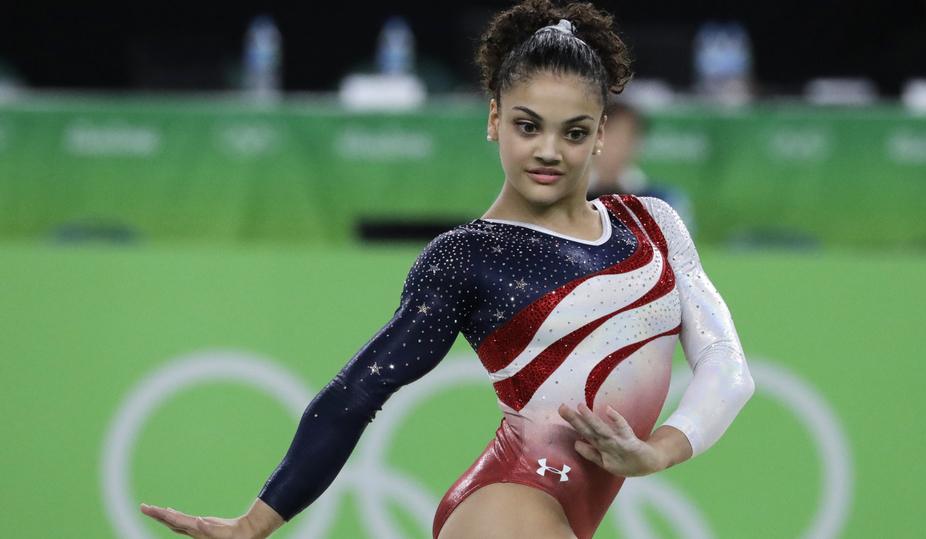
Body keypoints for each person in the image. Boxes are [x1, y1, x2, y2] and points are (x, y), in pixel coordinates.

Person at [140, 1, 754, 538]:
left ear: (599, 136)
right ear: (493, 120)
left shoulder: (653, 224)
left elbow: (727, 364)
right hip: (509, 505)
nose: (548, 150)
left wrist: (658, 452)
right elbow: (359, 389)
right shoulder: (466, 256)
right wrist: (256, 522)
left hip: (566, 511)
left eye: (573, 133)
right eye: (527, 126)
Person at [587, 101, 695, 237]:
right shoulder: (568, 195)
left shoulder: (663, 200)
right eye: (609, 134)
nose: (615, 145)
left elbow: (678, 245)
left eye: (626, 137)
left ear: (638, 143)